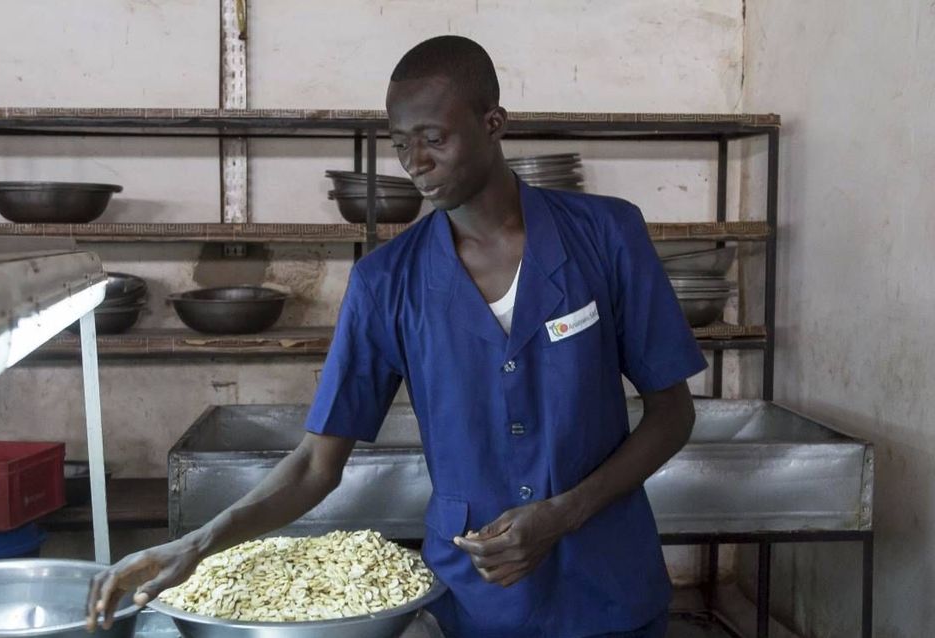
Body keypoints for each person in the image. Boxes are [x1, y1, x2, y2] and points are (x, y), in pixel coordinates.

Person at [86, 35, 706, 638]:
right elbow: (314, 465)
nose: (415, 163)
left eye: (433, 139)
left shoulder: (606, 235)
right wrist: (195, 545)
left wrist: (562, 514)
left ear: (494, 122)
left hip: (609, 591)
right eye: (400, 143)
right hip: (473, 602)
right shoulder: (385, 282)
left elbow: (672, 414)